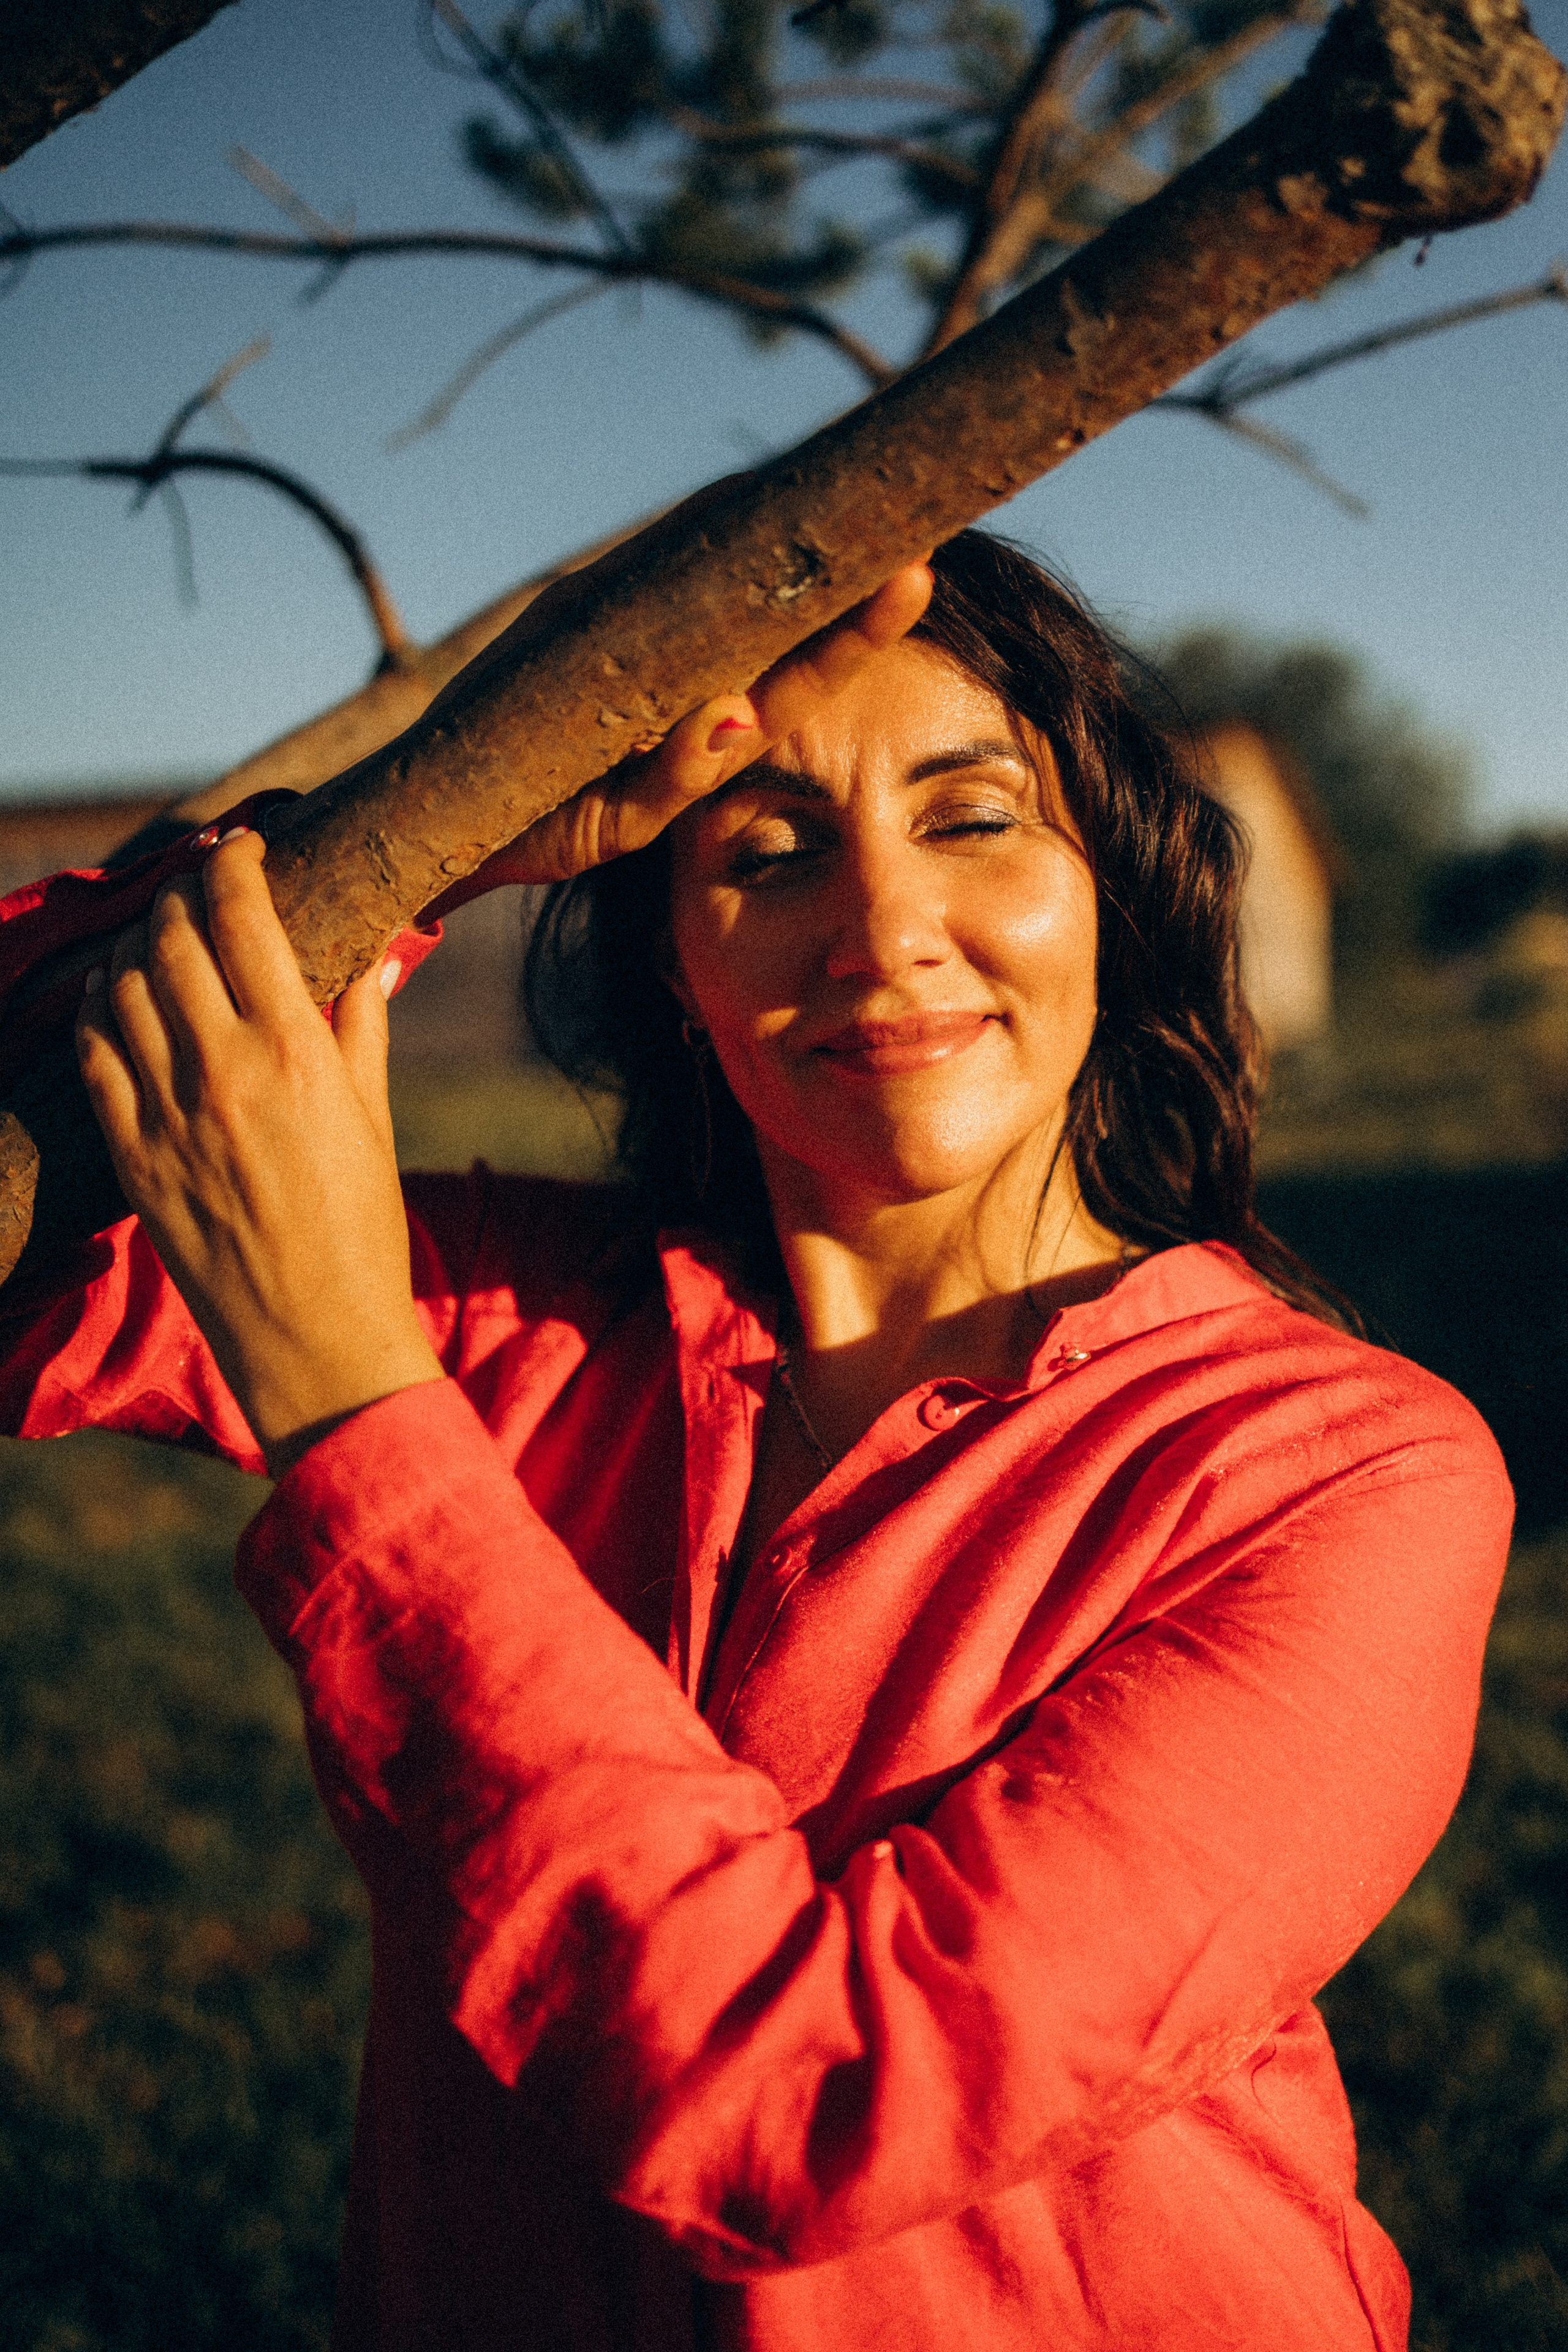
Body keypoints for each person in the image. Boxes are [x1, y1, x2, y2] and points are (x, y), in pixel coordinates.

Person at [0, 531, 1510, 2352]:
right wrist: (438, 834)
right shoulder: (519, 1320)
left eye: (974, 820)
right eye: (770, 851)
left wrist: (343, 1386)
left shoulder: (1339, 1473)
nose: (881, 930)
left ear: (1107, 891)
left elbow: (823, 2103)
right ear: (671, 960)